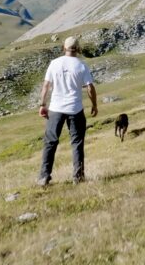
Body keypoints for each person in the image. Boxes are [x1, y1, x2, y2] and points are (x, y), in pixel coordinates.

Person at [38, 36, 97, 186]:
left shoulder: (54, 63)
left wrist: (42, 104)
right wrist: (94, 105)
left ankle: (44, 177)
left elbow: (46, 86)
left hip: (56, 108)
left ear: (63, 48)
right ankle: (78, 177)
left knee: (50, 142)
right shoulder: (81, 65)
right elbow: (90, 87)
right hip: (75, 109)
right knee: (77, 143)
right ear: (78, 49)